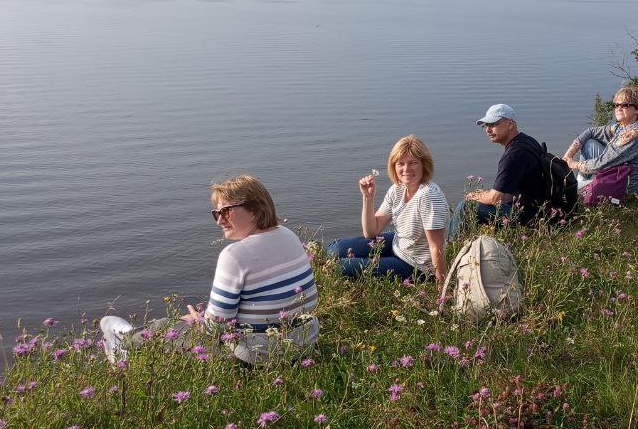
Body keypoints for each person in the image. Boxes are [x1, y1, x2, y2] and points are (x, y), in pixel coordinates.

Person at [99, 175, 319, 366]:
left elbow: (215, 331)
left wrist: (198, 321)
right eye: (216, 213)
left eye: (226, 212)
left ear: (254, 209)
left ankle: (123, 342)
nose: (219, 221)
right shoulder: (288, 235)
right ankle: (128, 337)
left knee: (166, 326)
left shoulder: (234, 255)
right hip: (305, 344)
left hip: (258, 356)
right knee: (185, 322)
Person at [326, 135, 450, 285]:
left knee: (339, 267)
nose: (406, 169)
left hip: (416, 265)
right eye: (400, 163)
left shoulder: (429, 196)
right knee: (334, 249)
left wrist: (443, 289)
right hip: (398, 245)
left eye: (413, 163)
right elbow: (371, 232)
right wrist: (368, 198)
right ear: (393, 166)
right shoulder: (397, 189)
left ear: (424, 164)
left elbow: (436, 246)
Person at [450, 103, 552, 235]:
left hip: (528, 215)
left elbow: (495, 199)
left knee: (465, 207)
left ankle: (451, 247)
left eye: (494, 124)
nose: (488, 130)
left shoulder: (512, 155)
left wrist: (476, 196)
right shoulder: (527, 141)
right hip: (541, 206)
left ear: (510, 124)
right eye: (486, 125)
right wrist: (486, 195)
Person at [563, 85, 638, 197]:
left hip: (623, 187)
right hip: (616, 174)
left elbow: (602, 164)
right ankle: (582, 182)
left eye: (625, 105)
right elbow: (591, 131)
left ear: (637, 109)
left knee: (565, 190)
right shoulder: (622, 127)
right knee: (590, 143)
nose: (619, 108)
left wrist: (574, 164)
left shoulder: (633, 135)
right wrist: (568, 155)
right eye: (616, 105)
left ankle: (581, 187)